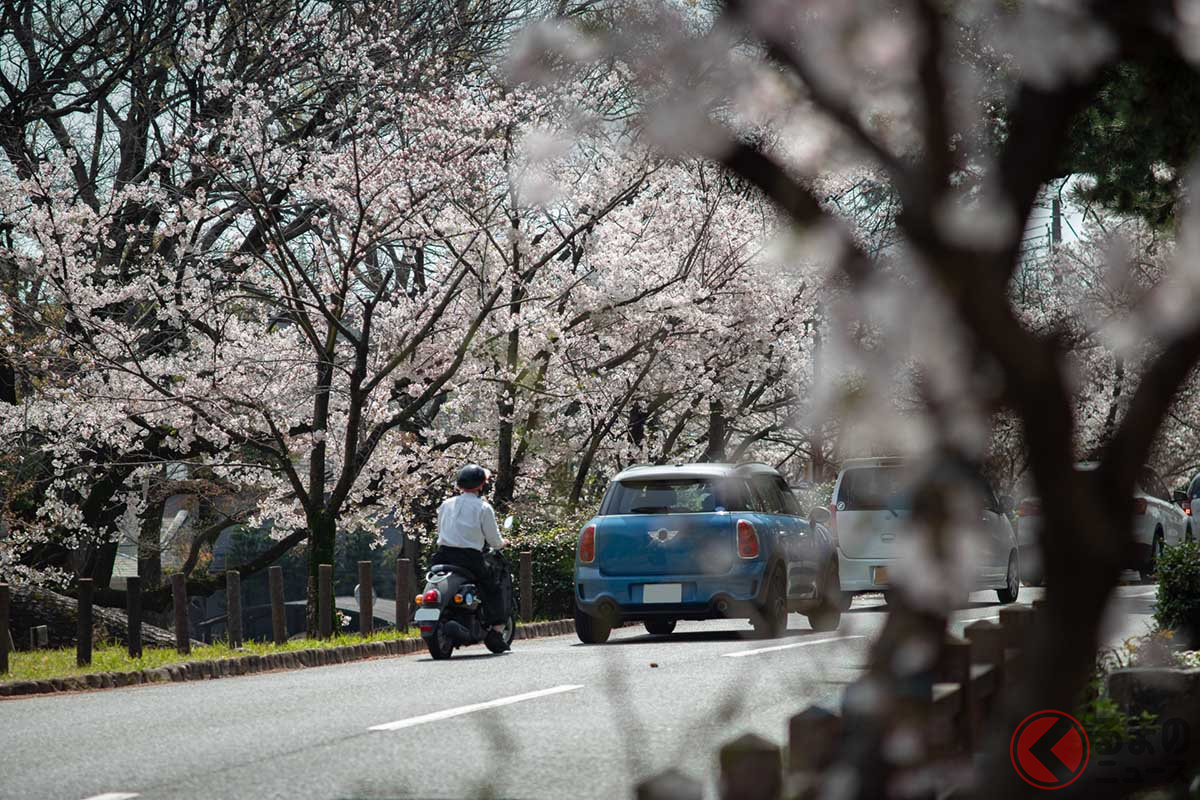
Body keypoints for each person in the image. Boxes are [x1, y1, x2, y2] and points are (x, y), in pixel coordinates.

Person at [432, 464, 510, 651]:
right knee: (492, 586)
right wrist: (503, 543)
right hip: (469, 558)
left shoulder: (446, 504)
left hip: (442, 555)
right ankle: (496, 629)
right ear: (481, 485)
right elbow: (493, 539)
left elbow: (440, 530)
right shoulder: (483, 507)